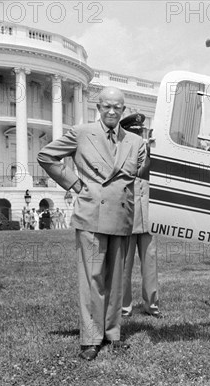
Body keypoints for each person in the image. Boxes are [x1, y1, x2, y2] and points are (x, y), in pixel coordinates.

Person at [37, 86, 149, 361]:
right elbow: (46, 156)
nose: (112, 111)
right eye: (107, 106)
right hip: (91, 215)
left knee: (116, 281)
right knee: (92, 279)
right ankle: (90, 338)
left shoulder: (136, 143)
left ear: (124, 110)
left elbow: (141, 179)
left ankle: (112, 333)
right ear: (98, 108)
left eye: (117, 107)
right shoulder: (81, 132)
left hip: (122, 218)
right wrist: (74, 183)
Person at [119, 113, 161, 319]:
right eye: (134, 131)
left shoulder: (150, 151)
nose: (138, 135)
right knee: (124, 267)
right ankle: (124, 308)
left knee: (150, 265)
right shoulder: (119, 150)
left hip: (148, 217)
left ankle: (151, 305)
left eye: (140, 131)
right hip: (127, 217)